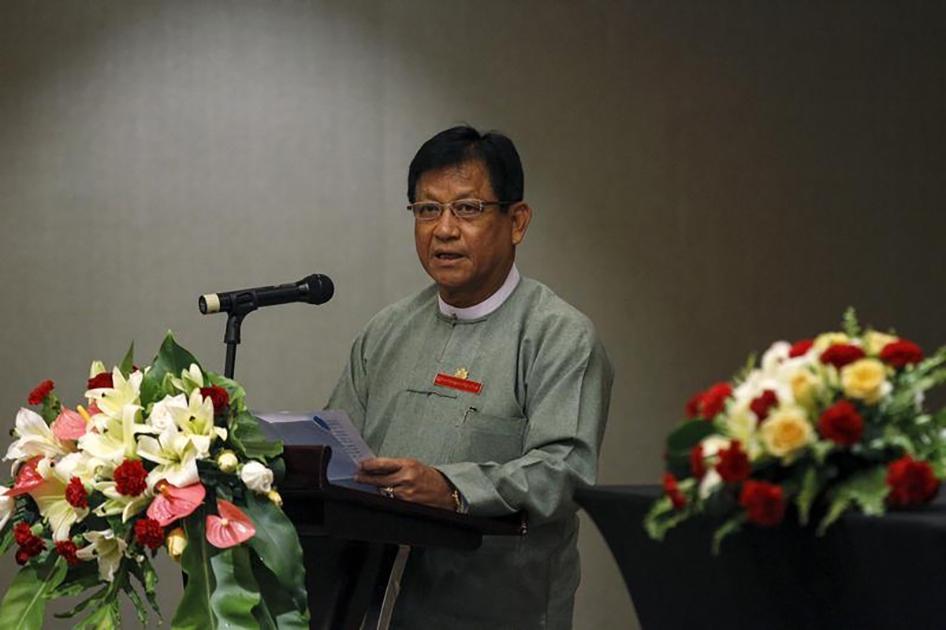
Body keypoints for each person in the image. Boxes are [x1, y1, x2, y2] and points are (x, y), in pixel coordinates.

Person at [328, 125, 613, 629]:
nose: (444, 229)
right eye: (427, 209)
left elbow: (562, 473)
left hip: (497, 612)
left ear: (517, 221)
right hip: (380, 609)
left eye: (468, 209)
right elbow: (338, 451)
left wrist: (452, 488)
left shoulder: (559, 337)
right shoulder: (387, 330)